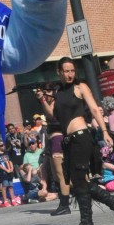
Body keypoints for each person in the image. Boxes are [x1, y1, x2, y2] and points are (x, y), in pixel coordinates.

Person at [44, 57, 114, 225]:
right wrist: (43, 100)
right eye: (66, 71)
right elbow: (55, 116)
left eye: (72, 71)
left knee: (80, 181)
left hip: (82, 137)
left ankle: (87, 223)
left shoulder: (80, 87)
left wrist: (105, 132)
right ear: (59, 72)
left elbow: (95, 109)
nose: (69, 74)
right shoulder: (58, 92)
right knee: (79, 182)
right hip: (69, 141)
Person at [34, 84, 70, 215]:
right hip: (51, 141)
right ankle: (64, 202)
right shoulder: (47, 103)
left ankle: (65, 204)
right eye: (44, 91)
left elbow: (52, 116)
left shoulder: (57, 102)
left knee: (61, 175)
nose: (46, 93)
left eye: (48, 91)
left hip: (58, 139)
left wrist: (42, 100)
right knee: (56, 176)